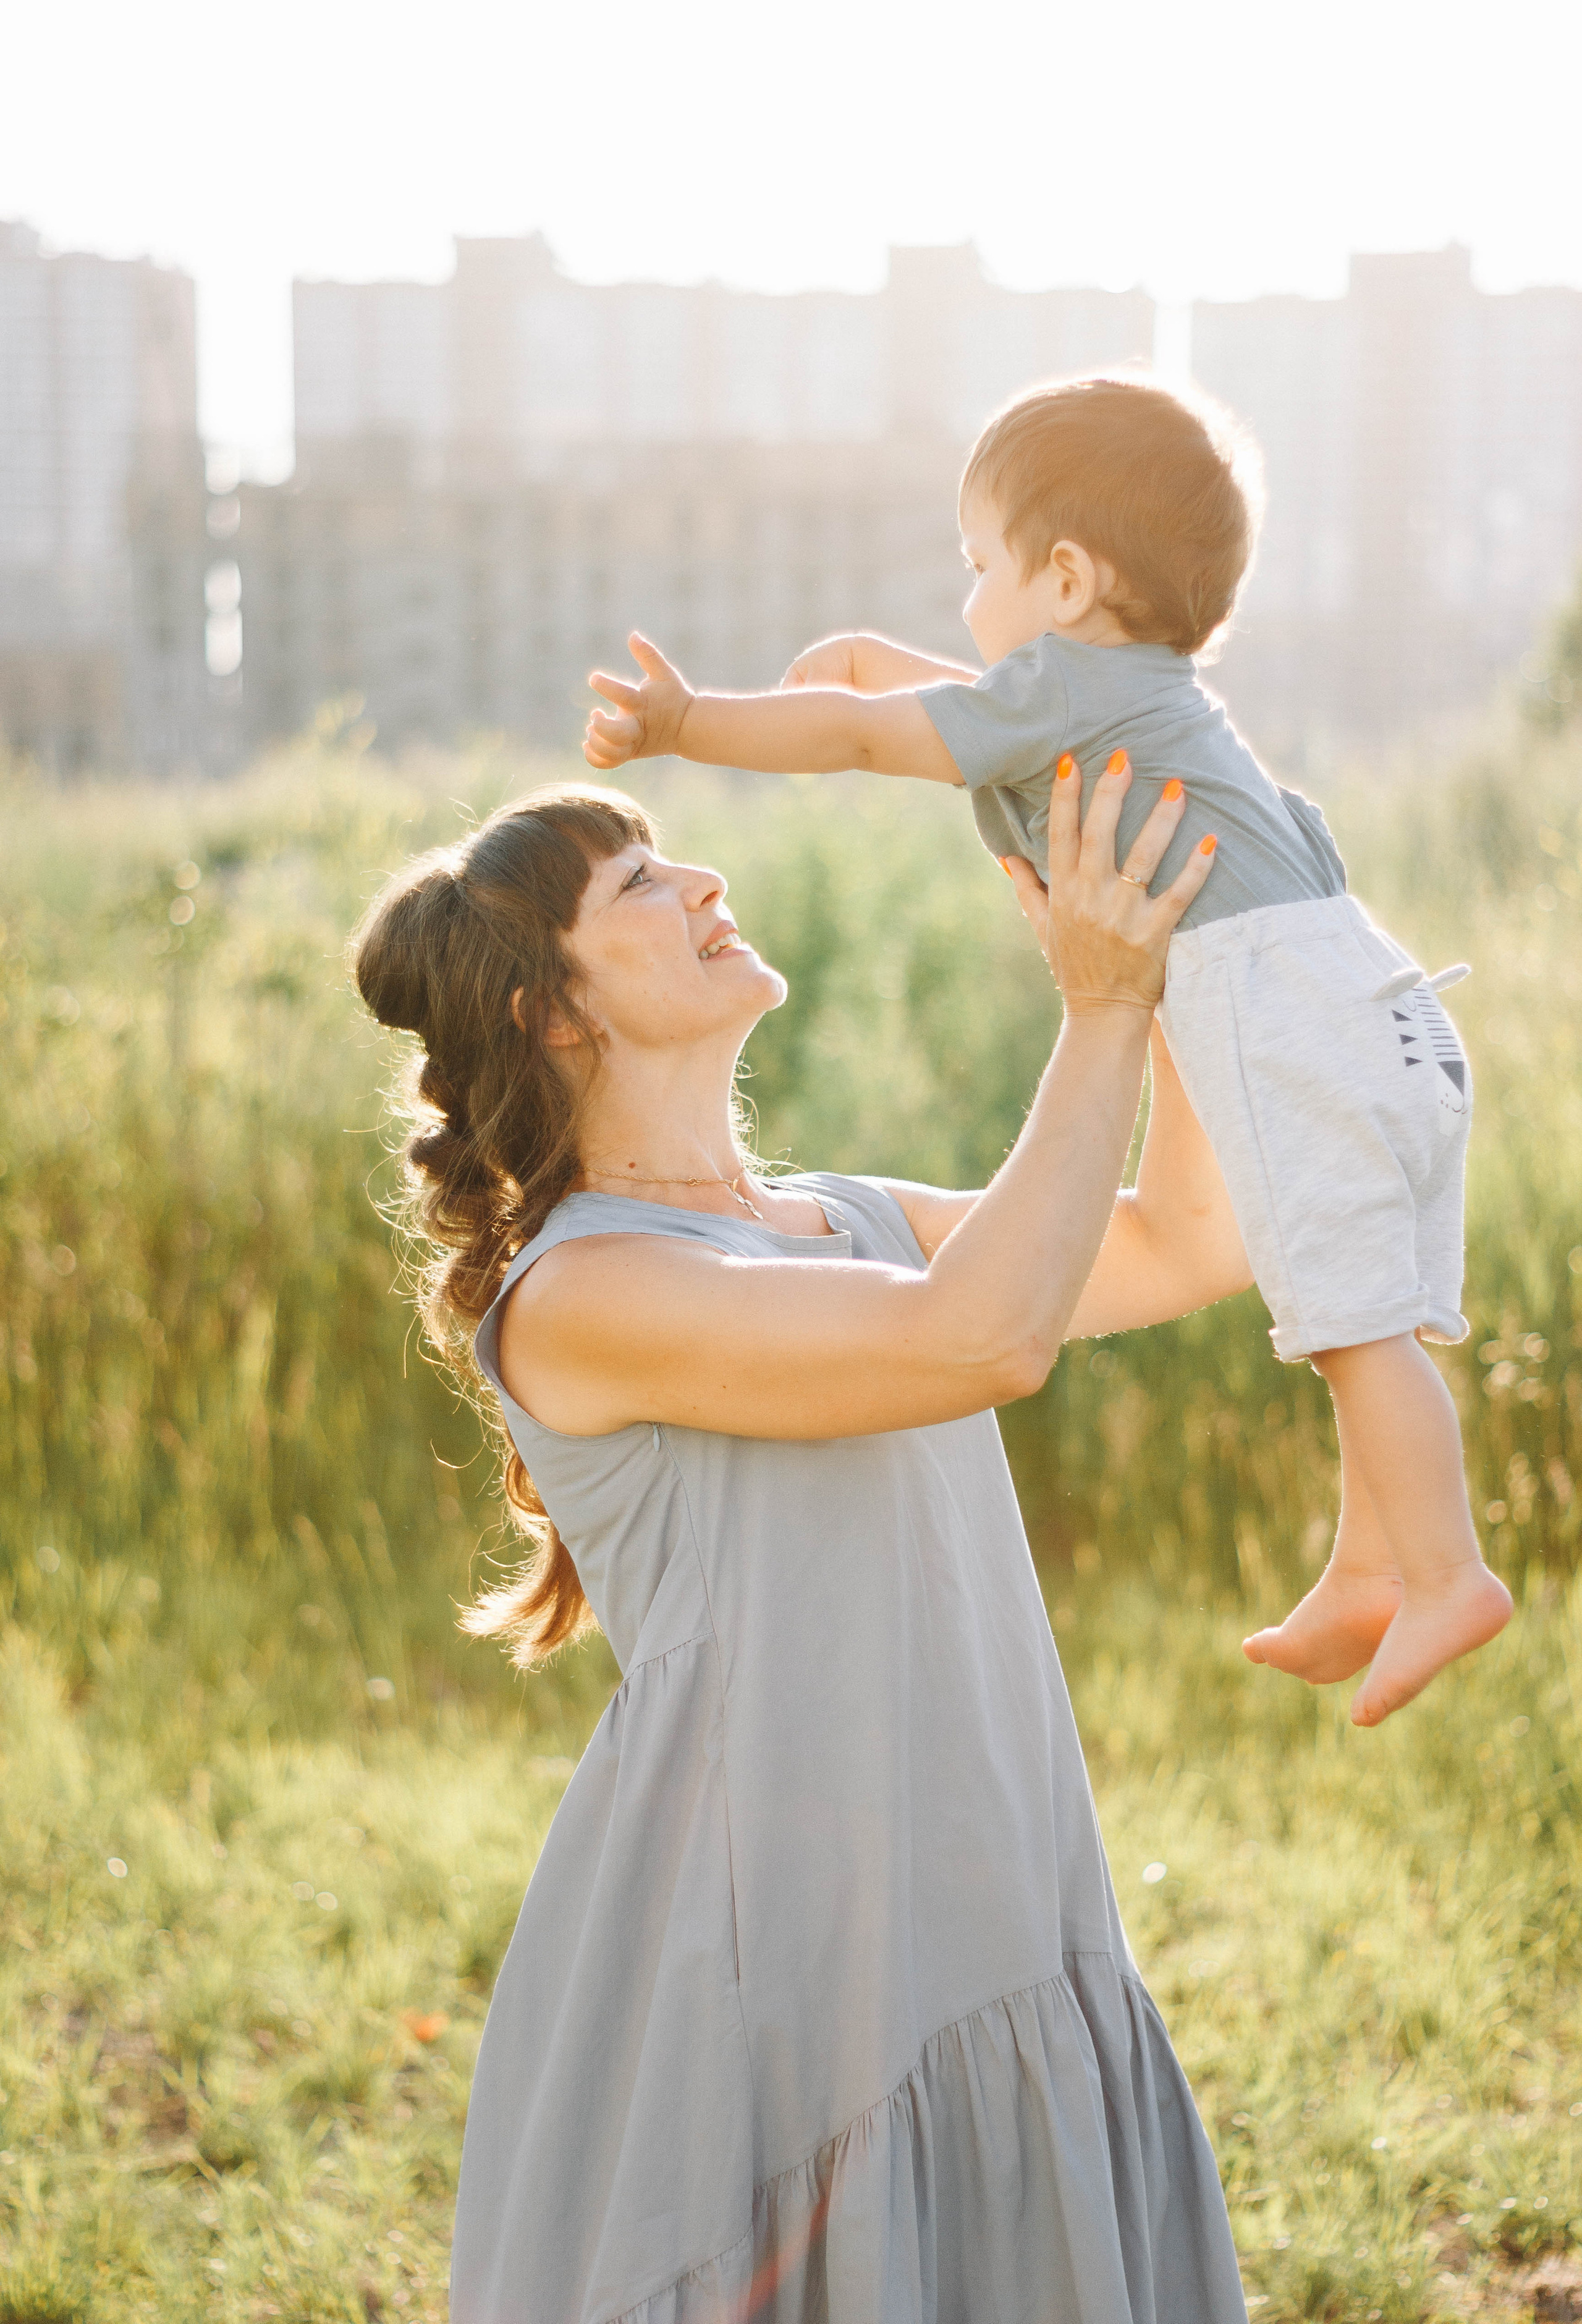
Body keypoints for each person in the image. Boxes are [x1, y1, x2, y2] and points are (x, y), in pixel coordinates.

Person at [352, 763, 1251, 2323]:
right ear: (553, 1014)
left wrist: (1160, 972)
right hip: (781, 1948)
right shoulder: (581, 1295)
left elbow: (1183, 1243)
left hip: (980, 1863)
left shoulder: (847, 1219)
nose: (699, 882)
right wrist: (1091, 1015)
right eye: (636, 884)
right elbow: (980, 1342)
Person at [583, 371, 1513, 1731]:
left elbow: (863, 738)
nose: (964, 605)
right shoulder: (1133, 697)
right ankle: (1373, 1558)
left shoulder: (1069, 693)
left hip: (1289, 1015)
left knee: (1356, 1333)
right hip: (1380, 1007)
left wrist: (685, 724)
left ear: (1065, 579)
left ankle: (1443, 1570)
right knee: (1366, 1315)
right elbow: (970, 714)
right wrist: (875, 658)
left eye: (977, 567)